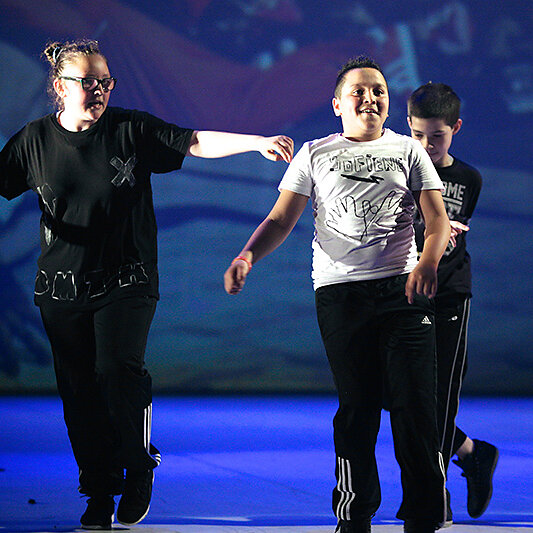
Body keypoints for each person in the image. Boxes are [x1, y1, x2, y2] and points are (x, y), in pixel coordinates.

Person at [0, 38, 293, 530]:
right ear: (59, 87)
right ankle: (97, 491)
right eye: (87, 82)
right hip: (61, 290)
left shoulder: (130, 129)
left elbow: (193, 141)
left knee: (118, 370)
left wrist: (255, 142)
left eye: (105, 82)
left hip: (127, 279)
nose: (98, 90)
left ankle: (137, 466)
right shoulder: (33, 141)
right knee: (79, 392)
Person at [224, 56, 450, 533]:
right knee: (358, 407)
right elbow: (280, 220)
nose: (370, 98)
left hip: (403, 291)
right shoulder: (315, 153)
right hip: (341, 294)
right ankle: (354, 513)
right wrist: (247, 256)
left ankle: (425, 514)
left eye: (378, 91)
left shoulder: (408, 150)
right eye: (358, 91)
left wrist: (427, 262)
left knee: (415, 407)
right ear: (337, 105)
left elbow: (437, 221)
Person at [407, 82, 498, 524]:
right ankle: (471, 452)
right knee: (398, 392)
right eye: (418, 135)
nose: (427, 145)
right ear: (408, 126)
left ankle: (433, 492)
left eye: (437, 136)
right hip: (402, 290)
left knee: (441, 395)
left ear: (455, 128)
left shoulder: (468, 179)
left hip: (449, 293)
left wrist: (443, 233)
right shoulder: (398, 168)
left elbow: (453, 232)